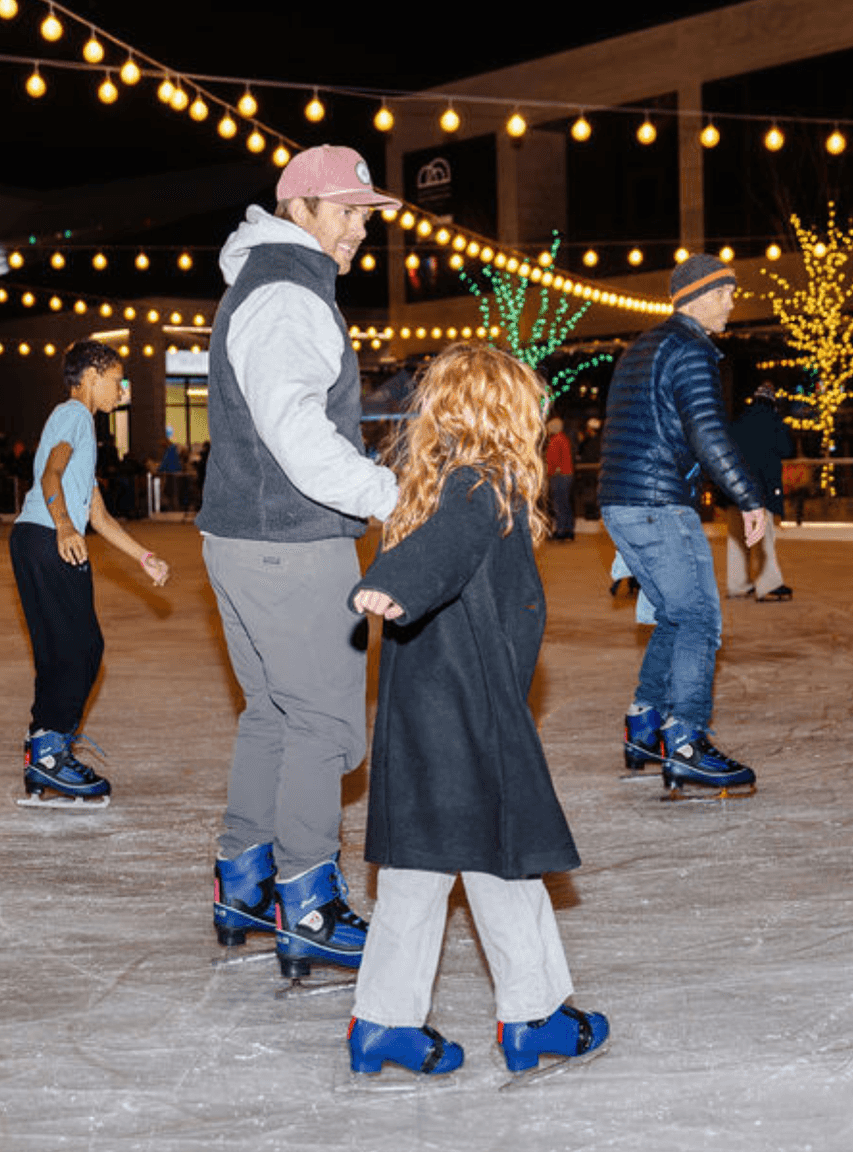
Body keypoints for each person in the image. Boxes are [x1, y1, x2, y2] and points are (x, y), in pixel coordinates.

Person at [343, 342, 609, 1079]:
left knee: (418, 873)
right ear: (504, 413)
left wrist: (399, 577)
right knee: (506, 860)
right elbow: (443, 551)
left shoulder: (431, 488)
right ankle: (536, 1016)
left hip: (424, 717)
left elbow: (440, 547)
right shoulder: (482, 487)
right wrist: (395, 582)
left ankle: (383, 1024)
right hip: (472, 714)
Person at [199, 144, 401, 981]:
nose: (360, 228)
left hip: (241, 538)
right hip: (291, 541)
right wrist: (394, 495)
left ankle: (243, 878)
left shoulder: (267, 285)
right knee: (324, 723)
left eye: (364, 214)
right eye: (347, 211)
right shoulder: (287, 295)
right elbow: (298, 436)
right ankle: (309, 903)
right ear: (301, 209)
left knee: (274, 716)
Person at [598, 253, 767, 797]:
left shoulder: (641, 348)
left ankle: (645, 727)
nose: (732, 303)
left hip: (620, 501)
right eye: (726, 292)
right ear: (697, 296)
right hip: (659, 502)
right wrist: (747, 497)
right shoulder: (692, 350)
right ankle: (687, 741)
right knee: (699, 619)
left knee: (674, 614)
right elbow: (707, 431)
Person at [9, 340, 170, 805]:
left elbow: (97, 516)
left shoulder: (82, 430)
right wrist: (62, 527)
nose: (121, 389)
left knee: (63, 650)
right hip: (47, 537)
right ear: (92, 375)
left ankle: (45, 750)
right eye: (116, 379)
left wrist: (144, 557)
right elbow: (51, 476)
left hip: (35, 538)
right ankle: (49, 750)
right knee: (82, 647)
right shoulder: (74, 415)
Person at [726, 383, 793, 598]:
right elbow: (786, 449)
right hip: (760, 491)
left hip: (735, 491)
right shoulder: (774, 422)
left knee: (737, 539)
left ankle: (738, 585)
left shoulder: (737, 422)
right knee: (763, 539)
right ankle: (768, 585)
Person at [544, 416, 575, 540]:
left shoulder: (555, 440)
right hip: (567, 474)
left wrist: (547, 473)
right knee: (565, 503)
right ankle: (569, 529)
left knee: (558, 504)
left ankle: (561, 530)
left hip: (559, 476)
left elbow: (552, 460)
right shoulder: (564, 438)